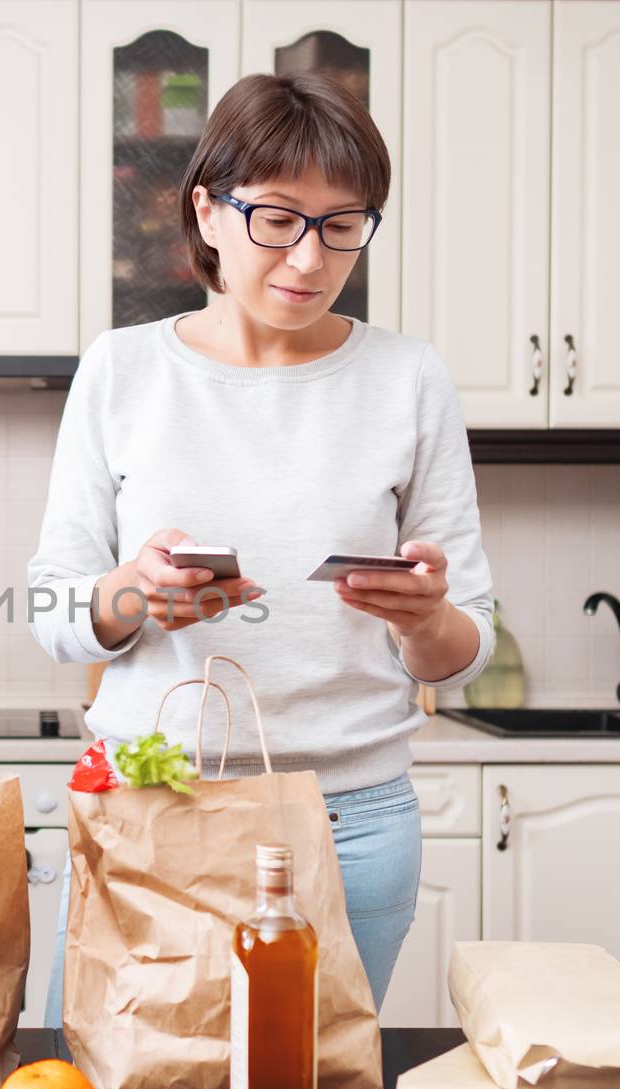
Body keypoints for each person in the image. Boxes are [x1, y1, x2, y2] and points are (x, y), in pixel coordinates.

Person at [29, 73, 494, 1018]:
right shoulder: (120, 370)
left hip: (349, 819)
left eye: (343, 223)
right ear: (207, 210)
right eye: (277, 218)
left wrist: (428, 618)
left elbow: (468, 643)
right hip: (150, 809)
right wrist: (134, 596)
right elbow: (53, 609)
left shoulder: (408, 378)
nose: (310, 256)